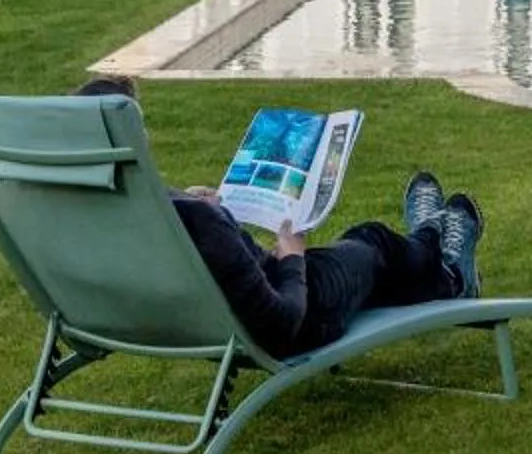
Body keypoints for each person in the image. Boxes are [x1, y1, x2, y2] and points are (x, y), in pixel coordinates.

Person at [75, 77, 482, 358]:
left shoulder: (87, 214)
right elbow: (281, 323)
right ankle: (447, 261)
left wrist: (211, 211)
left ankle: (431, 241)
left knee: (366, 265)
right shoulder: (192, 221)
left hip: (196, 319)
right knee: (373, 242)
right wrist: (291, 258)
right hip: (300, 313)